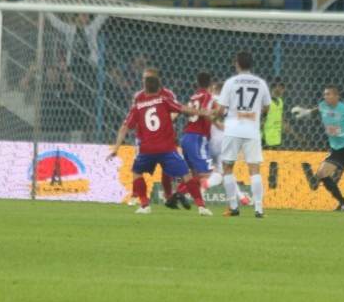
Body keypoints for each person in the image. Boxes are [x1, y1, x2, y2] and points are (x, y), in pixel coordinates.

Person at [108, 73, 213, 216]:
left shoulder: (137, 106)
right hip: (167, 149)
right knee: (186, 175)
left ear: (145, 88)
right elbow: (183, 109)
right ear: (159, 88)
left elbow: (124, 127)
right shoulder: (164, 100)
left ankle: (145, 205)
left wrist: (116, 148)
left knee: (137, 173)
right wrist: (201, 112)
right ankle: (201, 207)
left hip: (147, 149)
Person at [214, 50, 271, 218]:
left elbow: (221, 109)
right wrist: (254, 113)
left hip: (232, 129)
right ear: (251, 64)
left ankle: (233, 207)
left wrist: (215, 115)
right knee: (254, 169)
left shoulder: (230, 83)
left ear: (237, 64)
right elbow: (267, 106)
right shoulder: (260, 83)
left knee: (227, 167)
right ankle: (259, 209)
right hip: (252, 130)